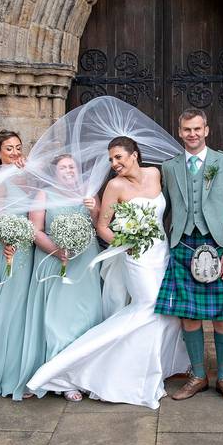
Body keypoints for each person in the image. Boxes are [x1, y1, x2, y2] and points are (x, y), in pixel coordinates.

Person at [27, 137, 188, 408]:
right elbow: (103, 226)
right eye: (111, 159)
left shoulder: (156, 173)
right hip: (134, 255)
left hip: (162, 252)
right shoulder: (114, 186)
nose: (114, 164)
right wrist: (124, 243)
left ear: (134, 154)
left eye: (118, 157)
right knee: (147, 306)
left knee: (168, 312)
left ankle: (156, 365)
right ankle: (82, 363)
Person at [154, 108, 223, 405]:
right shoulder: (169, 167)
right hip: (184, 245)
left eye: (197, 129)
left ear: (206, 130)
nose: (192, 134)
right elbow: (161, 207)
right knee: (189, 317)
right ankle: (197, 375)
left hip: (219, 246)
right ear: (180, 132)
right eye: (186, 130)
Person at [17, 154, 104, 402]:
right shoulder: (44, 195)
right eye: (63, 167)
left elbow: (99, 226)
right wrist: (57, 251)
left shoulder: (88, 193)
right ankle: (62, 379)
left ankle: (83, 375)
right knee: (59, 321)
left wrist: (94, 210)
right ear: (54, 173)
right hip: (57, 262)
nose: (68, 171)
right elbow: (35, 229)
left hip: (85, 263)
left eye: (72, 167)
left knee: (88, 317)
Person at [0, 130, 38, 400]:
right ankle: (4, 375)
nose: (15, 152)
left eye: (18, 147)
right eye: (8, 148)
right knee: (8, 309)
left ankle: (22, 370)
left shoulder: (27, 174)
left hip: (28, 248)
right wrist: (7, 240)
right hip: (11, 248)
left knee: (24, 310)